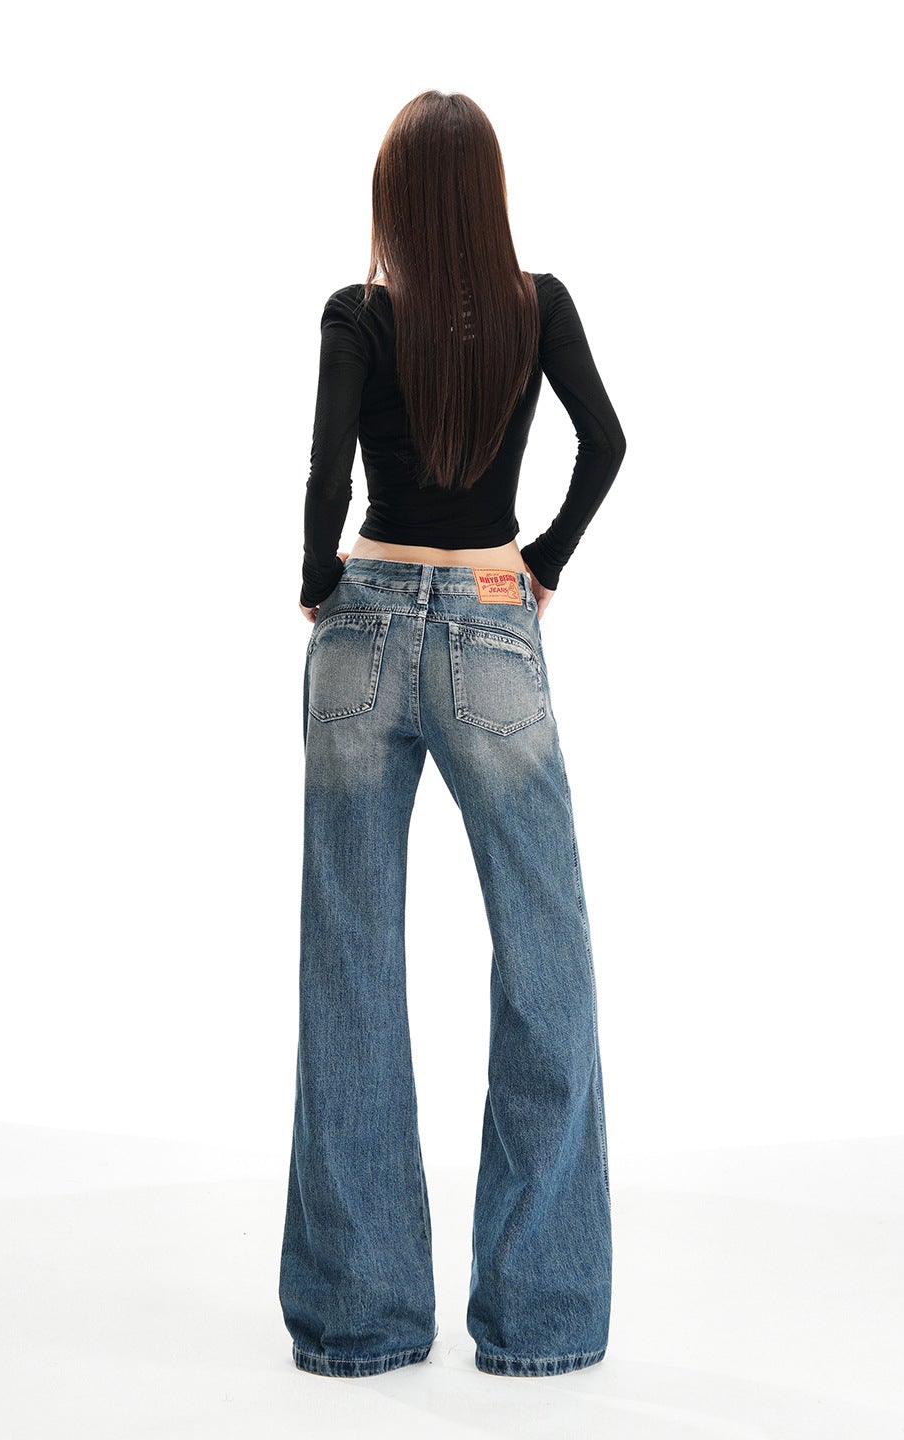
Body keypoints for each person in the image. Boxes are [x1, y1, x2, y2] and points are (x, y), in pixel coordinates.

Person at [280, 89, 627, 1380]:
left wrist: (318, 580)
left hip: (363, 628)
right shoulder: (540, 308)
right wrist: (543, 564)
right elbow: (608, 442)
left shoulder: (357, 315)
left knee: (350, 964)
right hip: (491, 619)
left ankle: (360, 1317)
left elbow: (326, 476)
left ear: (395, 201)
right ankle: (540, 1315)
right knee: (547, 961)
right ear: (486, 197)